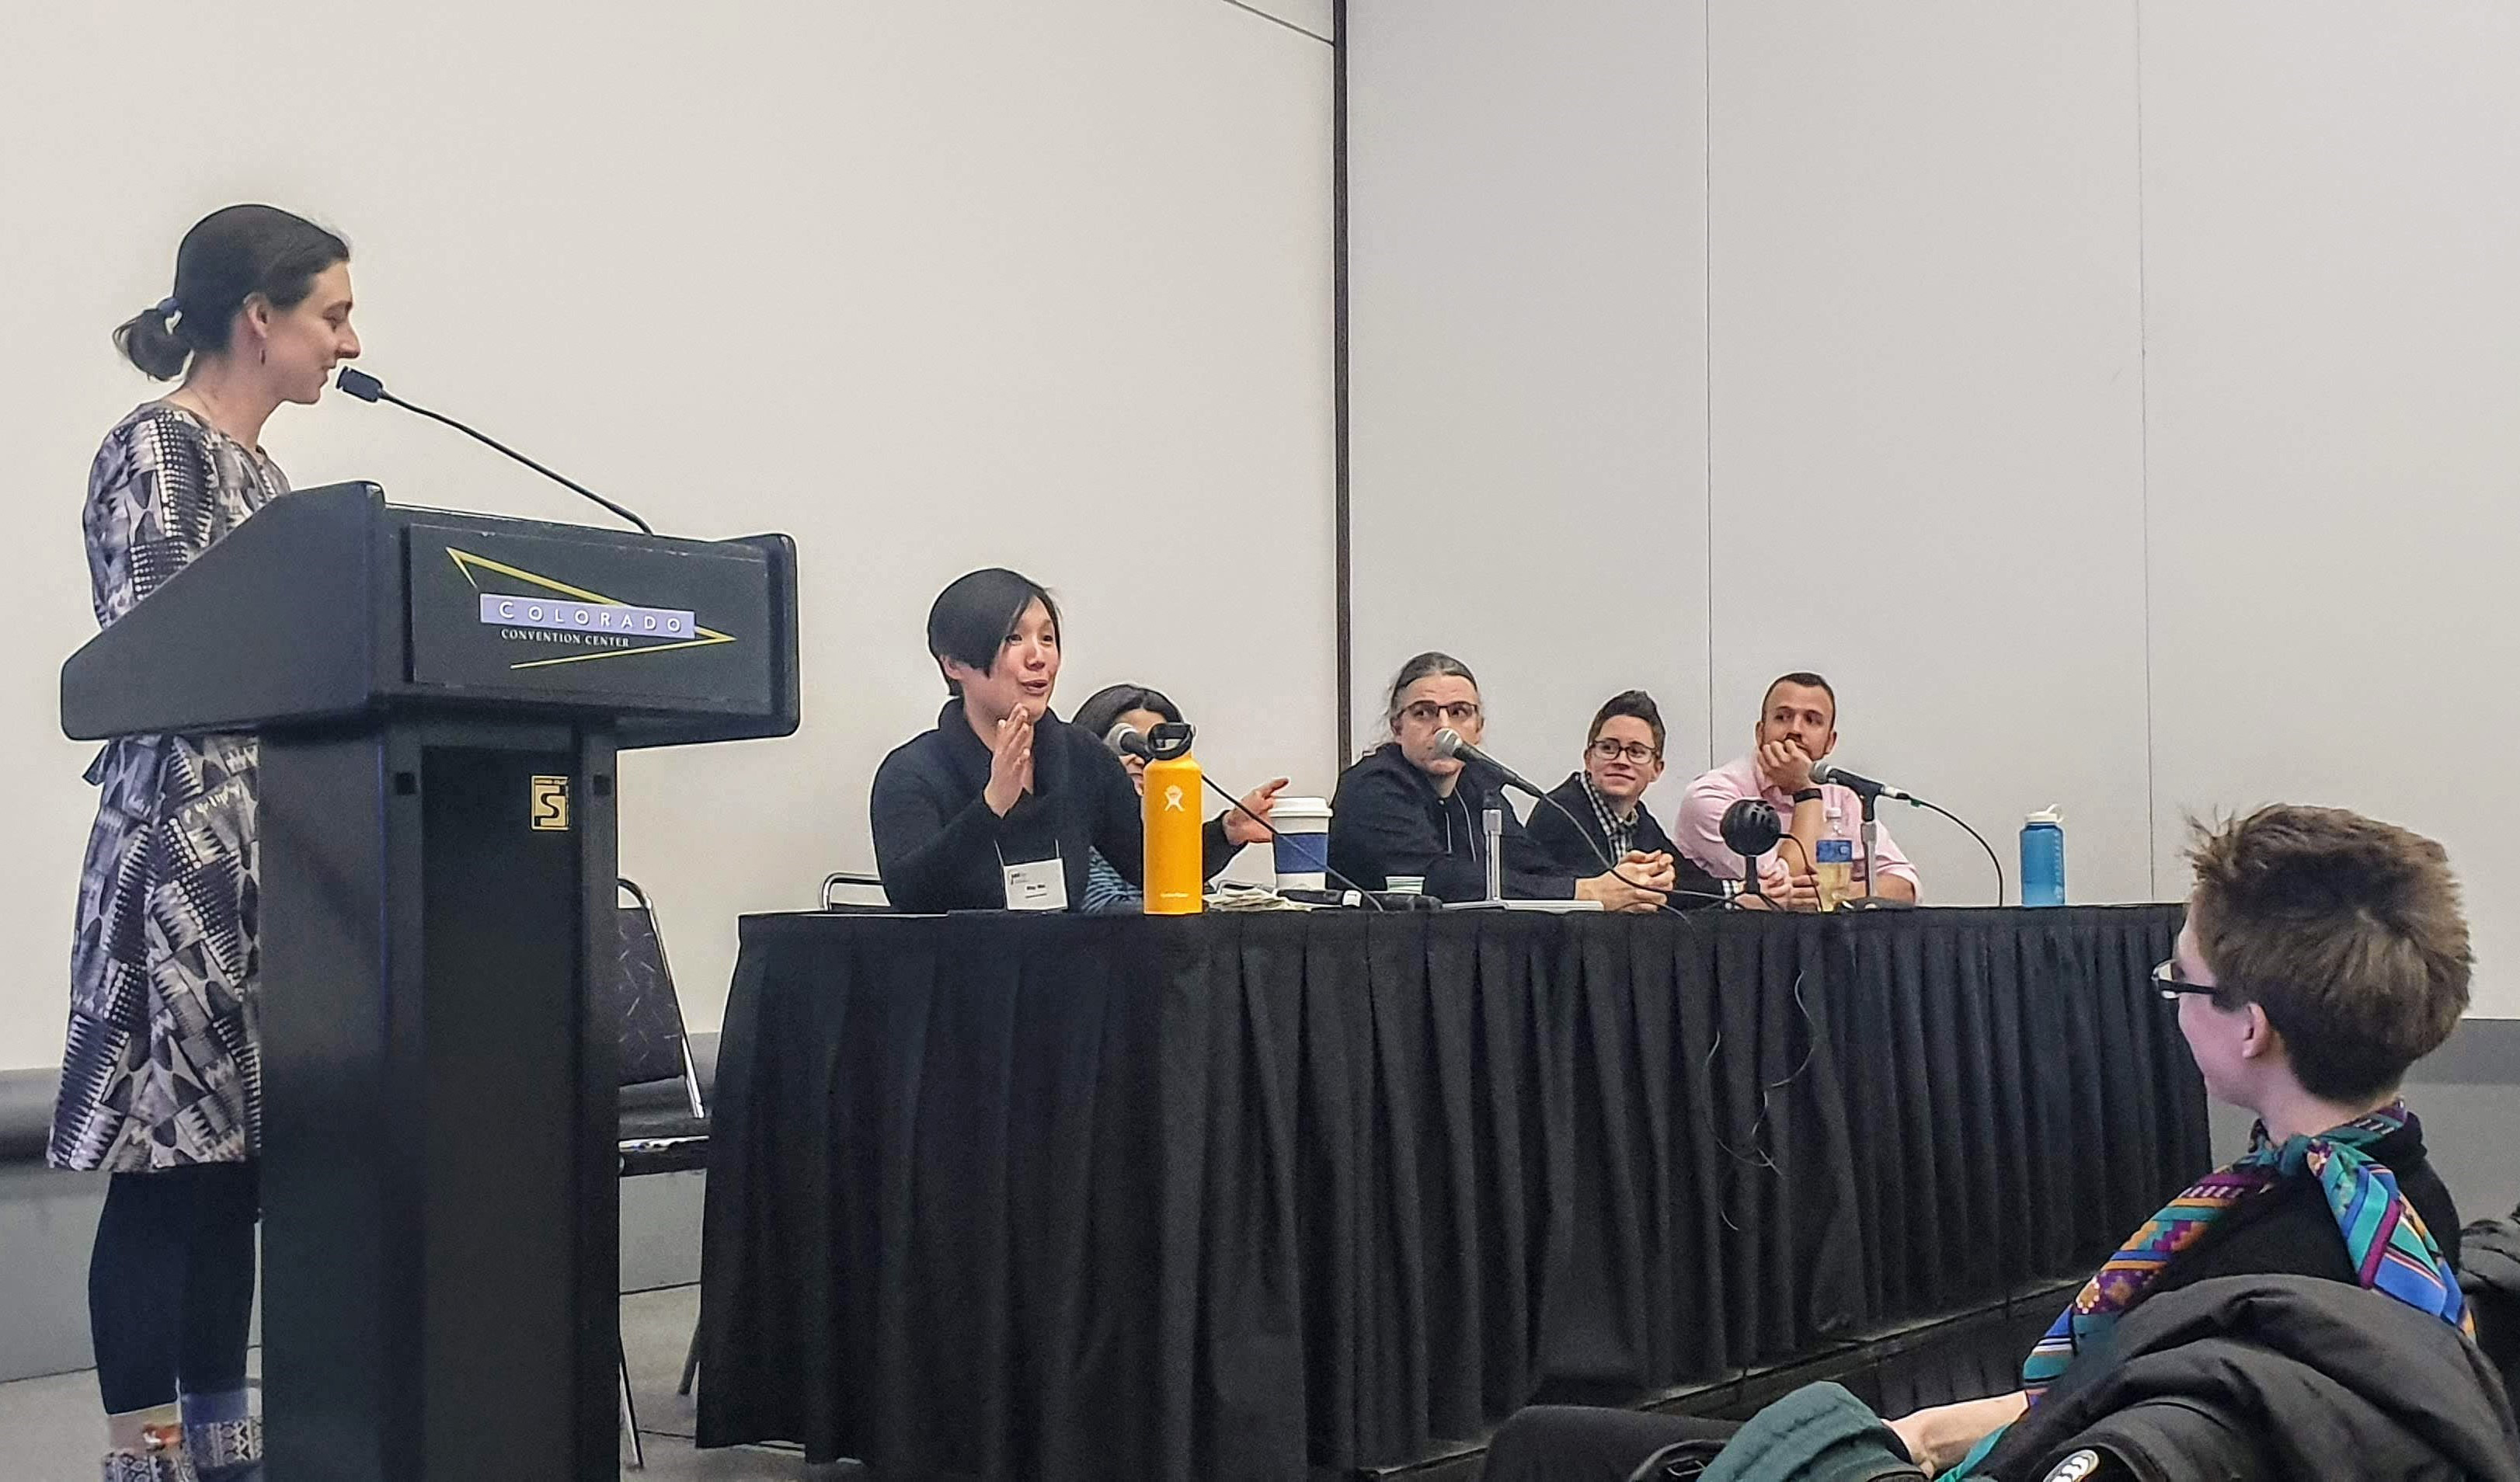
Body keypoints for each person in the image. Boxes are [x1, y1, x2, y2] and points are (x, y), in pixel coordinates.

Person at [1482, 803, 2476, 1480]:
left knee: (1542, 1444)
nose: (2169, 1007)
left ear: (2248, 1024)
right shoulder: (2403, 1215)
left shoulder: (2266, 1270)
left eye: (2176, 985)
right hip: (2029, 1438)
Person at [50, 204, 360, 1482]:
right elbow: (167, 659)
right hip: (180, 851)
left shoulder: (269, 483)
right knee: (169, 1174)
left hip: (264, 850)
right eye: (332, 313)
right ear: (259, 318)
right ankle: (149, 1453)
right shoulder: (156, 451)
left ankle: (223, 1445)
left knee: (233, 1172)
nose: (352, 340)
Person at [869, 570, 1283, 913]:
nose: (1039, 658)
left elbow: (1147, 866)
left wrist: (1226, 832)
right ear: (954, 663)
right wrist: (992, 806)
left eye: (1047, 639)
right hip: (966, 989)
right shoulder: (913, 772)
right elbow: (911, 896)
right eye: (1014, 639)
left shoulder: (1082, 757)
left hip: (1070, 984)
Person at [1328, 653, 1670, 910]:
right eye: (1424, 712)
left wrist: (1620, 882)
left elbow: (1528, 865)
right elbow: (1437, 879)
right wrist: (1588, 893)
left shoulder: (1480, 783)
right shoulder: (1372, 787)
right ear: (1397, 727)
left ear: (1479, 728)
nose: (1443, 726)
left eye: (1459, 712)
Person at [1673, 671, 1920, 909]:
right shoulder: (1711, 795)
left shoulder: (1844, 797)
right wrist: (1805, 792)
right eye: (1783, 717)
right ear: (1760, 733)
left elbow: (1905, 885)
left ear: (1829, 743)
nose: (1796, 730)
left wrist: (1841, 893)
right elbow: (1779, 889)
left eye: (1811, 720)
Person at [1523, 690, 1721, 907]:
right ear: (1588, 759)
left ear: (1657, 769)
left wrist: (1740, 891)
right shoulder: (1559, 813)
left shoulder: (1639, 819)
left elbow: (1686, 882)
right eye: (1608, 748)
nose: (1621, 760)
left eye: (1636, 752)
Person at [1067, 682, 1185, 913]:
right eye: (1127, 744)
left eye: (1153, 747)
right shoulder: (1074, 833)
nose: (1140, 758)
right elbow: (1103, 910)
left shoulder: (1171, 834)